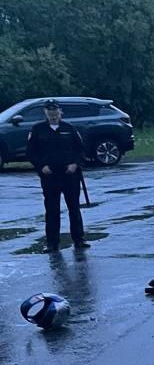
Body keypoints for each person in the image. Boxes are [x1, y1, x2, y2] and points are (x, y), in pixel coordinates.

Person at [26, 99, 89, 253]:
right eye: (49, 112)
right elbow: (31, 152)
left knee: (74, 208)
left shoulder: (69, 128)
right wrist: (41, 166)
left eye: (55, 112)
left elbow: (80, 150)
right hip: (50, 176)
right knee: (52, 210)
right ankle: (52, 243)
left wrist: (75, 164)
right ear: (45, 113)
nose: (53, 115)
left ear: (60, 112)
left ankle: (79, 240)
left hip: (70, 174)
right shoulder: (38, 130)